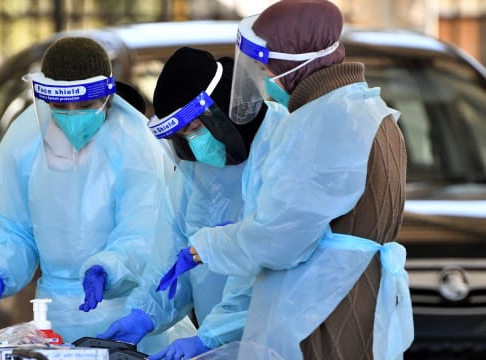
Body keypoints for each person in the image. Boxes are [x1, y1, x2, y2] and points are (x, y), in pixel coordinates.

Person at [161, 1, 414, 359]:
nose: (263, 80)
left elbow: (278, 236)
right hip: (345, 299)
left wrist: (206, 247)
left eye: (266, 69)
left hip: (324, 312)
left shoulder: (323, 122)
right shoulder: (367, 109)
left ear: (292, 66)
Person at [0, 36, 195, 353]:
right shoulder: (24, 145)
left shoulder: (134, 145)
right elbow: (17, 235)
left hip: (130, 316)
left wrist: (109, 268)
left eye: (85, 106)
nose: (73, 116)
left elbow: (146, 234)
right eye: (61, 107)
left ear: (107, 97)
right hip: (54, 321)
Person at [96, 47, 287, 360]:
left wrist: (210, 336)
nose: (194, 142)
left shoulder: (281, 146)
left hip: (282, 342)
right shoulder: (194, 173)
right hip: (222, 346)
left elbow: (266, 266)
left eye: (196, 128)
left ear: (224, 107)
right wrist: (144, 314)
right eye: (184, 135)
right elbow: (170, 258)